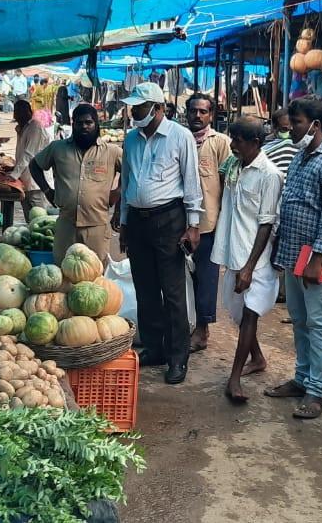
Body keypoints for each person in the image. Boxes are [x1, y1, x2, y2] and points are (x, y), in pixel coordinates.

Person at [263, 98, 322, 419]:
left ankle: (317, 391)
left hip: (318, 256)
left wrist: (317, 258)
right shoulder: (302, 155)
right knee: (300, 321)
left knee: (320, 322)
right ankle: (302, 378)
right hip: (293, 252)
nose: (291, 129)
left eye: (297, 123)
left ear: (315, 124)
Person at [114, 82, 203, 385]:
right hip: (138, 221)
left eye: (140, 107)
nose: (134, 111)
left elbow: (191, 183)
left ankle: (178, 357)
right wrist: (124, 224)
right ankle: (155, 348)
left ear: (158, 108)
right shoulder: (131, 140)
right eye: (134, 106)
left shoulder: (180, 137)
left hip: (169, 220)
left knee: (173, 291)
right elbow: (127, 183)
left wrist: (193, 225)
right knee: (145, 288)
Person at [212, 119, 281, 403]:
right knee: (238, 313)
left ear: (256, 143)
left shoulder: (269, 174)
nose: (233, 145)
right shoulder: (233, 167)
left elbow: (266, 223)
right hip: (234, 252)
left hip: (257, 259)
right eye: (232, 139)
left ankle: (235, 378)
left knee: (250, 314)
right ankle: (258, 358)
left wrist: (250, 268)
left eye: (239, 140)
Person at [32, 104, 122, 263]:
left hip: (97, 227)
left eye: (88, 122)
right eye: (79, 123)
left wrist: (118, 191)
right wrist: (47, 190)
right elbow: (34, 165)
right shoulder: (57, 148)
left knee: (95, 276)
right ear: (73, 124)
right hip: (66, 226)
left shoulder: (112, 151)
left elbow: (132, 172)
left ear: (96, 124)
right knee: (64, 273)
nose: (84, 127)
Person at [186, 93, 233, 354]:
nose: (198, 116)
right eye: (194, 111)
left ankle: (203, 331)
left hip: (208, 224)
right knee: (184, 279)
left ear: (211, 115)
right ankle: (188, 324)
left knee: (206, 279)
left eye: (203, 112)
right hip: (180, 222)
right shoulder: (179, 139)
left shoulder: (220, 143)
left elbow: (227, 183)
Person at [10, 99, 54, 221]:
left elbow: (28, 154)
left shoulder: (35, 127)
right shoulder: (22, 128)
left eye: (21, 112)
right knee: (29, 220)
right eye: (16, 112)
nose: (17, 115)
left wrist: (13, 175)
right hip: (26, 182)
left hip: (36, 184)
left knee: (41, 221)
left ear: (29, 112)